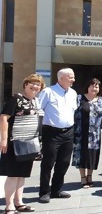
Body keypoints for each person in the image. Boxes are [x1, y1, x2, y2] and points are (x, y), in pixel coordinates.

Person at [0, 74, 45, 212]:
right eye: (32, 83)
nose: (35, 86)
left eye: (38, 85)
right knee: (13, 175)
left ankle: (19, 203)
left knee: (22, 174)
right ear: (25, 84)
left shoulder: (36, 101)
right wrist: (3, 139)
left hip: (30, 143)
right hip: (15, 143)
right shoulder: (16, 99)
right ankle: (9, 206)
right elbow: (3, 118)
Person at [38, 68, 78, 203]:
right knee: (48, 163)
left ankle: (56, 190)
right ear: (61, 78)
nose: (73, 80)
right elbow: (38, 110)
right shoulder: (48, 92)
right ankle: (44, 191)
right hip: (51, 132)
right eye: (70, 77)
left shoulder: (73, 93)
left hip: (68, 132)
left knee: (64, 162)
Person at [72, 78, 102, 189]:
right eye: (92, 86)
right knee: (81, 155)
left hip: (95, 135)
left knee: (92, 155)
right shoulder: (79, 98)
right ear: (87, 86)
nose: (94, 88)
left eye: (96, 86)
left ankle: (90, 176)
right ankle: (82, 177)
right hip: (80, 132)